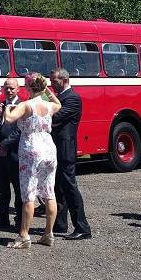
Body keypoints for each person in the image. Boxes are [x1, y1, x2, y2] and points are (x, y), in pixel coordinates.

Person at [3, 73, 61, 248]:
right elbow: (59, 104)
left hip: (31, 146)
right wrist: (48, 91)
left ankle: (24, 235)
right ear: (42, 87)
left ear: (27, 87)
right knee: (49, 191)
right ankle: (48, 233)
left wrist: (6, 107)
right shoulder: (49, 105)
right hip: (49, 146)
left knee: (29, 193)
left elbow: (8, 119)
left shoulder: (26, 105)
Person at [49, 67, 92, 240]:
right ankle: (60, 223)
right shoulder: (59, 97)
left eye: (54, 81)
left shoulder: (72, 98)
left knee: (69, 187)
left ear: (65, 80)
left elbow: (54, 119)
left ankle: (82, 226)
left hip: (65, 148)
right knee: (57, 187)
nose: (52, 84)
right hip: (56, 146)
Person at [0, 78, 23, 229]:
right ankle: (3, 217)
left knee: (18, 189)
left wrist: (5, 145)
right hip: (0, 153)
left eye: (12, 88)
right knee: (2, 188)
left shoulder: (22, 106)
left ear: (18, 89)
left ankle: (20, 220)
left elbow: (20, 130)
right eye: (6, 88)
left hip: (15, 152)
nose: (9, 91)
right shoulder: (1, 105)